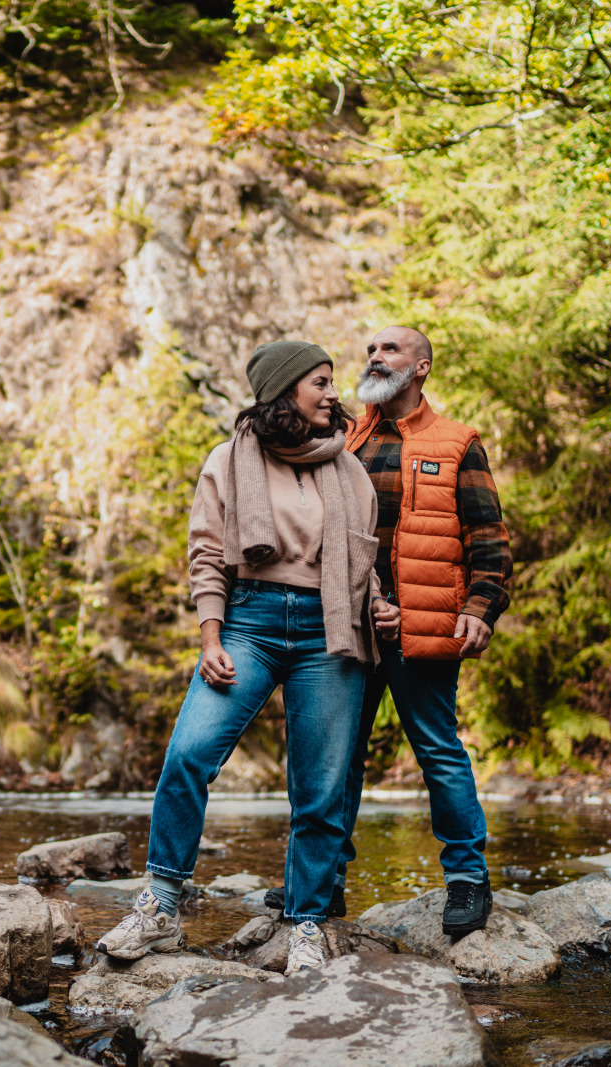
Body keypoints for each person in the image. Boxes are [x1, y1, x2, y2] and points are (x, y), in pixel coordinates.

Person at [95, 339, 400, 975]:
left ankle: (307, 923)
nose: (333, 392)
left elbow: (361, 565)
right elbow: (207, 553)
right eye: (319, 382)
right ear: (285, 389)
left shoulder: (349, 470)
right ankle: (158, 905)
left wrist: (379, 606)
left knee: (320, 789)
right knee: (189, 753)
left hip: (332, 630)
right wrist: (211, 638)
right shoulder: (228, 460)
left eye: (331, 381)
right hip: (250, 621)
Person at [260, 326, 513, 935]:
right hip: (346, 623)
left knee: (437, 750)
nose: (374, 358)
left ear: (420, 366)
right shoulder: (340, 439)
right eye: (370, 350)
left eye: (390, 350)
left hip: (421, 627)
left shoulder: (457, 443)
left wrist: (479, 611)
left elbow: (490, 542)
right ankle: (321, 883)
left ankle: (468, 880)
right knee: (334, 759)